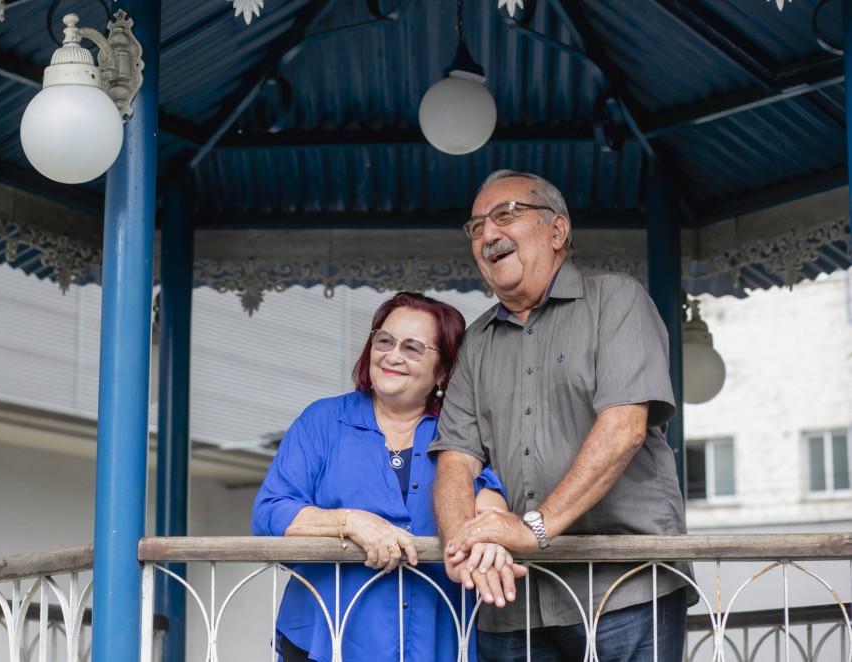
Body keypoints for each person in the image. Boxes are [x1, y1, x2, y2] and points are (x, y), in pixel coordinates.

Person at [429, 170, 695, 661]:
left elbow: (624, 429)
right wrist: (462, 546)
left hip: (623, 590)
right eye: (476, 227)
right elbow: (454, 460)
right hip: (510, 601)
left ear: (556, 232)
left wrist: (533, 528)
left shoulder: (617, 300)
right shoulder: (477, 341)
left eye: (506, 215)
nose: (488, 234)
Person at [252, 291, 511, 662]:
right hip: (326, 638)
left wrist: (491, 515)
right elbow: (269, 513)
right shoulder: (323, 420)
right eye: (384, 340)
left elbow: (490, 494)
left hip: (437, 639)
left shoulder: (460, 433)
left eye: (413, 348)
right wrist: (350, 521)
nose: (392, 355)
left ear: (443, 370)